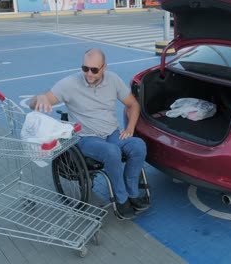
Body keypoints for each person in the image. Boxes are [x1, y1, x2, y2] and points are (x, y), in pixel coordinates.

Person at [30, 48, 148, 220]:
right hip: (86, 138)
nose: (89, 74)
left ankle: (132, 192)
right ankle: (121, 199)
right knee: (112, 152)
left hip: (111, 133)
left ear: (104, 67)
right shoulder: (69, 84)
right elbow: (37, 102)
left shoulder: (113, 80)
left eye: (94, 69)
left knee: (138, 145)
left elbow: (133, 105)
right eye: (85, 68)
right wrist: (39, 98)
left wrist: (129, 129)